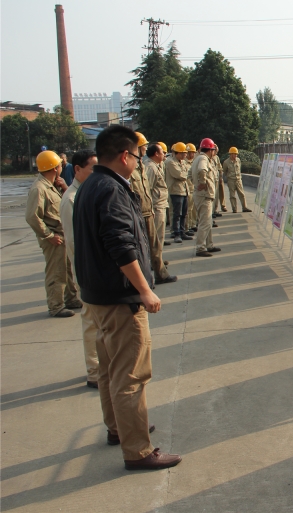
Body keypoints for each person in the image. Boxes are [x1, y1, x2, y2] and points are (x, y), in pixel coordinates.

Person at [73, 125, 181, 471]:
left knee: (109, 370)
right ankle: (138, 450)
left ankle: (118, 428)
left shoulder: (91, 184)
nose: (138, 162)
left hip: (99, 295)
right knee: (130, 376)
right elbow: (120, 244)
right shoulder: (112, 190)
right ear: (125, 156)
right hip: (120, 299)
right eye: (136, 155)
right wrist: (144, 289)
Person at [60, 149, 101, 387]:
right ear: (77, 169)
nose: (96, 173)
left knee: (97, 321)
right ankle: (94, 371)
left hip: (92, 267)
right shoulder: (71, 199)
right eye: (91, 168)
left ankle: (99, 366)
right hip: (85, 268)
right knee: (89, 321)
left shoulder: (85, 192)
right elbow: (74, 241)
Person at [25, 150, 81, 317]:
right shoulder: (39, 188)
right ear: (55, 167)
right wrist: (48, 236)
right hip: (52, 237)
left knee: (67, 269)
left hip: (60, 234)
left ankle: (70, 298)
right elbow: (32, 216)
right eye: (59, 165)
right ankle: (55, 306)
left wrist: (63, 187)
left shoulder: (51, 185)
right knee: (56, 272)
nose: (61, 167)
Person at [130, 133, 171, 283]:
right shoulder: (143, 167)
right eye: (143, 146)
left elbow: (146, 189)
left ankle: (160, 272)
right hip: (143, 211)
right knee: (146, 246)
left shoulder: (141, 165)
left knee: (154, 244)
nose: (145, 148)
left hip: (149, 210)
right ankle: (153, 274)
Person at [143, 144, 177, 284]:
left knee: (158, 238)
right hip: (156, 206)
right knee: (156, 239)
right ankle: (157, 267)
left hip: (160, 205)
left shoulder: (155, 165)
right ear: (156, 154)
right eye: (162, 152)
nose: (164, 154)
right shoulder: (150, 167)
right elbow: (148, 190)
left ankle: (158, 263)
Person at [190, 138, 222, 257]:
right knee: (205, 222)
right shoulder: (203, 159)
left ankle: (209, 245)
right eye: (213, 150)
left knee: (207, 221)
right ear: (210, 150)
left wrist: (196, 183)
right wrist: (202, 183)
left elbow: (189, 174)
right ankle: (200, 247)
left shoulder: (197, 158)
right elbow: (201, 170)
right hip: (204, 195)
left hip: (201, 195)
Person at [166, 143, 192, 243]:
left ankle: (182, 231)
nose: (185, 155)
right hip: (176, 190)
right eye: (183, 153)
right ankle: (176, 233)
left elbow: (187, 173)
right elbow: (180, 175)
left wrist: (186, 174)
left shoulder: (183, 162)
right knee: (177, 213)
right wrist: (186, 174)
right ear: (177, 153)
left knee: (184, 213)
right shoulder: (170, 162)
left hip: (184, 190)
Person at [222, 147, 252, 213]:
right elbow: (225, 171)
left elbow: (239, 169)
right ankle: (234, 208)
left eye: (236, 154)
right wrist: (229, 177)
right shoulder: (226, 162)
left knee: (242, 194)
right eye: (234, 154)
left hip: (238, 180)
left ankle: (244, 207)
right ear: (231, 154)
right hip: (231, 180)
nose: (236, 155)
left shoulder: (238, 160)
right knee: (232, 195)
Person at [185, 143, 198, 232]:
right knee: (188, 209)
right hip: (187, 189)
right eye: (191, 152)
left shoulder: (194, 162)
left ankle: (193, 223)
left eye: (194, 152)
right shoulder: (184, 163)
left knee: (194, 209)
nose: (193, 154)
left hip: (194, 188)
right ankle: (188, 225)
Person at [213, 145, 227, 217]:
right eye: (214, 150)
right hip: (212, 179)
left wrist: (221, 176)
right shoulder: (207, 158)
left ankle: (217, 208)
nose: (215, 152)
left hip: (217, 178)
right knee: (213, 196)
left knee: (218, 194)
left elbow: (220, 168)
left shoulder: (216, 157)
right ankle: (212, 211)